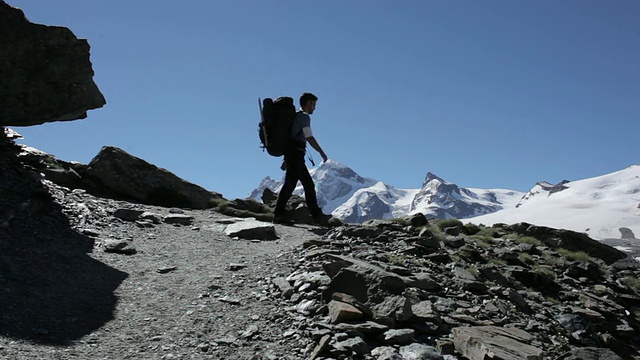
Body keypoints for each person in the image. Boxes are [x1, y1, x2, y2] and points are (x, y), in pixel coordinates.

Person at [273, 92, 329, 226]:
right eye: (313, 104)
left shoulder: (296, 116)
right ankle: (279, 214)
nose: (314, 107)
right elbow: (309, 136)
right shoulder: (303, 117)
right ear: (308, 103)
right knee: (292, 184)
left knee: (307, 185)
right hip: (296, 154)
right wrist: (321, 152)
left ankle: (317, 216)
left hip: (294, 154)